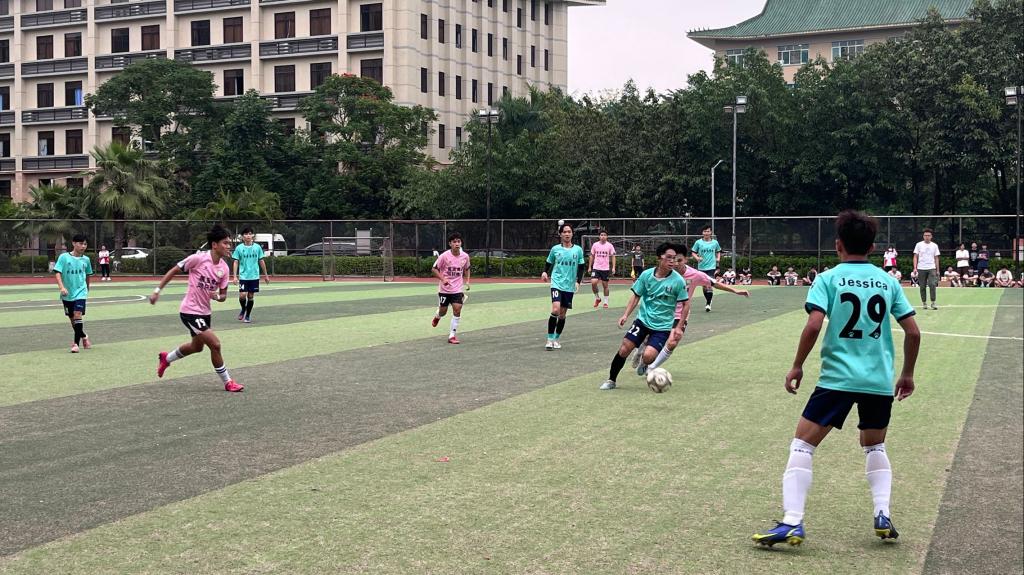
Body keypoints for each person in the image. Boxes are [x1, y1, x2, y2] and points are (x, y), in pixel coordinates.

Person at [752, 210, 920, 548]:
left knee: (802, 445)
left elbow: (814, 324)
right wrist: (906, 374)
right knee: (874, 445)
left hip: (837, 380)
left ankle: (792, 521)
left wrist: (797, 365)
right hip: (877, 381)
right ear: (872, 247)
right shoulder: (888, 281)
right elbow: (913, 332)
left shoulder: (828, 278)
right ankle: (882, 513)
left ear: (838, 244)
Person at [151, 225, 243, 393]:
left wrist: (216, 296)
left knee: (197, 347)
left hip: (205, 313)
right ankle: (228, 382)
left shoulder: (224, 268)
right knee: (215, 344)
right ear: (214, 245)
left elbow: (223, 296)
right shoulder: (198, 259)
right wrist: (157, 291)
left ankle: (166, 358)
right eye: (225, 243)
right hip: (189, 311)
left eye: (229, 243)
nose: (228, 246)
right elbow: (173, 271)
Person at [634, 249, 751, 376]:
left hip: (680, 314)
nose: (676, 263)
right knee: (649, 337)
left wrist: (735, 290)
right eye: (673, 260)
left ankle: (651, 367)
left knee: (673, 341)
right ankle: (641, 351)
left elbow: (715, 283)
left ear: (686, 260)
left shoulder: (695, 275)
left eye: (679, 260)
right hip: (662, 311)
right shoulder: (664, 273)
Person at [599, 243, 688, 390]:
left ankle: (644, 361)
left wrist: (678, 327)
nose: (672, 261)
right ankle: (611, 380)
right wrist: (625, 315)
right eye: (669, 257)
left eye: (674, 258)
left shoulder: (678, 281)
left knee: (648, 356)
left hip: (663, 327)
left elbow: (686, 304)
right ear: (660, 258)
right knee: (624, 349)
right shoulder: (646, 275)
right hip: (643, 321)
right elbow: (636, 296)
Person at [541, 222, 586, 350]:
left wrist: (578, 281)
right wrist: (545, 272)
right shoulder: (555, 249)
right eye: (564, 232)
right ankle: (549, 340)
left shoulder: (578, 250)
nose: (567, 234)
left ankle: (556, 338)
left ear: (572, 234)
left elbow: (581, 267)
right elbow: (549, 262)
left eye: (569, 232)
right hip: (556, 283)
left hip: (569, 286)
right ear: (560, 234)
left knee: (562, 315)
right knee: (555, 309)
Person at [53, 234, 94, 353]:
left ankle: (76, 344)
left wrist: (87, 288)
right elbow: (57, 272)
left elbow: (88, 275)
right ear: (74, 243)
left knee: (77, 315)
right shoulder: (64, 257)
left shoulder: (86, 260)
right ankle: (84, 336)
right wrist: (62, 287)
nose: (83, 246)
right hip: (67, 293)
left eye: (85, 244)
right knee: (73, 320)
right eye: (81, 243)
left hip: (81, 292)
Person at [431, 232, 471, 344]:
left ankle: (452, 335)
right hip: (444, 289)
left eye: (459, 241)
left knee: (457, 309)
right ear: (450, 244)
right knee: (443, 311)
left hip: (457, 289)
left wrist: (467, 281)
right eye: (454, 242)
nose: (457, 244)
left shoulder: (465, 256)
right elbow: (434, 269)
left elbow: (467, 268)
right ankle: (437, 316)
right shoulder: (444, 256)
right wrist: (443, 279)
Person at [231, 227, 271, 324]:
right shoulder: (239, 248)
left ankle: (248, 315)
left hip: (254, 276)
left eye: (250, 233)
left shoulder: (257, 247)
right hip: (243, 276)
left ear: (253, 235)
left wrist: (266, 275)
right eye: (246, 234)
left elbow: (261, 261)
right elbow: (236, 261)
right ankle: (243, 309)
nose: (248, 236)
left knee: (250, 296)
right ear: (242, 236)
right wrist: (235, 276)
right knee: (242, 295)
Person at [691, 225, 722, 312]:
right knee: (704, 286)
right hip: (701, 267)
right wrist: (697, 258)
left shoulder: (715, 242)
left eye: (708, 231)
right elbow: (693, 252)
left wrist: (718, 258)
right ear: (702, 232)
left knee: (709, 284)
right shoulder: (698, 242)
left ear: (711, 232)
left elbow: (718, 251)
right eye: (705, 231)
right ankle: (709, 300)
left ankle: (708, 304)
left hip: (711, 267)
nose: (706, 233)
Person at [912, 228, 940, 309]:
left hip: (931, 267)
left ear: (931, 236)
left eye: (928, 235)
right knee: (922, 286)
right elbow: (915, 256)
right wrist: (915, 268)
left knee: (932, 284)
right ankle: (924, 303)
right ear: (923, 236)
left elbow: (936, 258)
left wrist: (937, 270)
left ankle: (933, 302)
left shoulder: (934, 245)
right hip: (921, 268)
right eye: (925, 235)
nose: (927, 237)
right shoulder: (918, 245)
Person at [588, 230, 616, 308]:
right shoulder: (595, 245)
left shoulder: (610, 245)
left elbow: (613, 256)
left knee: (605, 285)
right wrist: (589, 267)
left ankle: (606, 302)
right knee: (593, 282)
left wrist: (613, 267)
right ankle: (597, 298)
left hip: (605, 268)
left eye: (604, 235)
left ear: (607, 236)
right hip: (596, 267)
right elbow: (591, 256)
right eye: (601, 235)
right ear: (599, 236)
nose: (603, 236)